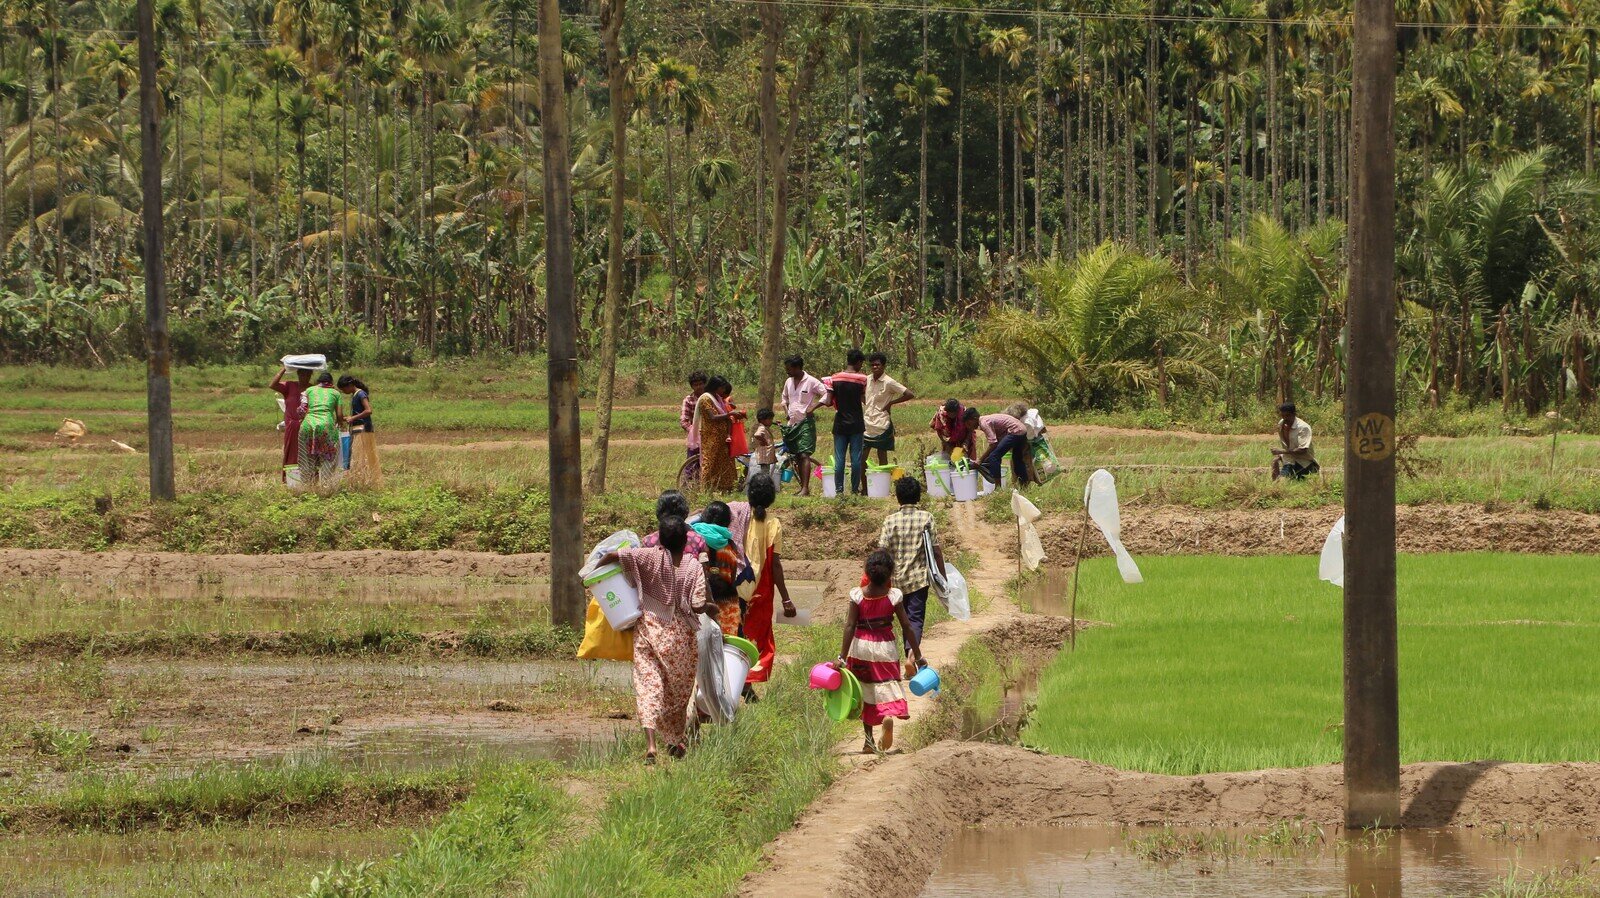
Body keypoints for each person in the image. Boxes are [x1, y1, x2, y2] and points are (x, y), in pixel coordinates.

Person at [595, 516, 716, 764]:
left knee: (648, 687)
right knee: (677, 694)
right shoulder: (693, 568)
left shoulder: (647, 556)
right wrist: (711, 607)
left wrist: (593, 577)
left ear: (660, 540)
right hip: (680, 639)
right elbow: (697, 604)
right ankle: (674, 739)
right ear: (685, 542)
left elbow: (613, 557)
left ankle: (652, 744)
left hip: (649, 631)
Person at [834, 549, 925, 754]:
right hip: (886, 647)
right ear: (890, 574)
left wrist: (842, 656)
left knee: (865, 689)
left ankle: (868, 741)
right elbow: (907, 626)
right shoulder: (894, 596)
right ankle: (887, 715)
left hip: (861, 648)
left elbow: (849, 626)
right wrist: (918, 655)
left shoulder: (857, 595)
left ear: (867, 572)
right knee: (888, 684)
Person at [876, 477, 945, 646]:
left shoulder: (890, 520)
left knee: (904, 621)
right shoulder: (926, 518)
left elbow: (882, 551)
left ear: (898, 498)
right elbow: (935, 550)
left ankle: (910, 655)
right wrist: (943, 577)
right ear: (918, 497)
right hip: (919, 579)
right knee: (915, 619)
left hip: (896, 579)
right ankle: (912, 656)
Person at [742, 474, 796, 684]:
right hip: (761, 587)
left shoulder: (740, 517)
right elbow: (775, 565)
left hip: (738, 582)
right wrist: (786, 598)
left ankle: (737, 676)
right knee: (759, 633)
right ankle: (748, 679)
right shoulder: (774, 524)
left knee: (738, 628)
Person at [780, 356, 828, 496]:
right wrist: (786, 412)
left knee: (804, 454)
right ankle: (803, 488)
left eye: (789, 369)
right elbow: (784, 399)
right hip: (792, 423)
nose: (787, 371)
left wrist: (813, 407)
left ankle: (805, 488)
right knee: (797, 455)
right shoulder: (788, 381)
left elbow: (826, 394)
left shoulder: (811, 381)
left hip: (805, 423)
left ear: (797, 368)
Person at [694, 501, 744, 636]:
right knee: (726, 646)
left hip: (701, 603)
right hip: (727, 603)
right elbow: (732, 576)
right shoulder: (730, 545)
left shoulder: (695, 540)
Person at [829, 350, 869, 495]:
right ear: (858, 362)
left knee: (839, 459)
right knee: (856, 459)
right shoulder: (863, 379)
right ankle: (854, 490)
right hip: (856, 423)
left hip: (840, 423)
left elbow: (828, 401)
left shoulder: (834, 378)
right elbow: (864, 399)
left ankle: (839, 490)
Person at [864, 352, 915, 466]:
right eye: (872, 365)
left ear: (883, 366)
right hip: (867, 422)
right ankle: (864, 483)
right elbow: (861, 393)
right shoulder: (867, 379)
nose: (875, 367)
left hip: (881, 422)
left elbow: (909, 394)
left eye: (877, 365)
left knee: (882, 456)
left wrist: (891, 403)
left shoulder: (889, 382)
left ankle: (883, 482)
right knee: (861, 458)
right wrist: (866, 403)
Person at [297, 372, 345, 493]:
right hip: (326, 426)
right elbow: (339, 415)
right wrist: (341, 423)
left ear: (318, 381)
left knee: (306, 457)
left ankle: (307, 489)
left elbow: (302, 410)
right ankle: (326, 488)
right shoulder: (336, 393)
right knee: (329, 456)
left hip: (307, 425)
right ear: (331, 383)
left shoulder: (308, 390)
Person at [694, 376, 743, 493]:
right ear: (716, 387)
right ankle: (705, 489)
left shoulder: (717, 398)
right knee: (710, 461)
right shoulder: (706, 399)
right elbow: (713, 417)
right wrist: (730, 414)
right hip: (711, 436)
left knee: (725, 462)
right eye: (722, 388)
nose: (723, 391)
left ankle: (726, 487)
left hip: (722, 436)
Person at [968, 407, 1037, 487]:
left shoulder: (983, 423)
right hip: (1022, 430)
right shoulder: (986, 419)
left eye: (969, 424)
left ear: (975, 418)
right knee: (1017, 460)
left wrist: (980, 460)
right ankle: (1024, 486)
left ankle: (998, 487)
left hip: (1015, 431)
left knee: (993, 457)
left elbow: (993, 444)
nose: (970, 427)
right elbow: (997, 441)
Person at [337, 375, 382, 489]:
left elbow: (368, 410)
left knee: (362, 456)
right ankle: (363, 481)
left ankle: (365, 481)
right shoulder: (355, 395)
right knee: (359, 456)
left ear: (350, 385)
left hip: (363, 429)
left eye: (344, 389)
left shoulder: (361, 394)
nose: (344, 392)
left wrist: (353, 418)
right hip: (358, 428)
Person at [270, 366, 313, 483]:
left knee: (308, 451)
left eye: (308, 375)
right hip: (292, 425)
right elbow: (272, 385)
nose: (305, 377)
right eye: (303, 374)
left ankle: (308, 479)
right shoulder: (290, 385)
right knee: (291, 451)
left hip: (307, 425)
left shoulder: (312, 389)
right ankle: (291, 479)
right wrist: (284, 368)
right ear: (298, 374)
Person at [644, 490, 709, 562]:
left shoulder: (648, 541)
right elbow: (704, 568)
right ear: (684, 512)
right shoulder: (698, 540)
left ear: (660, 513)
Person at [1272, 402, 1320, 480]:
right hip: (1289, 460)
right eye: (1283, 416)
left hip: (1304, 462)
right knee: (1275, 463)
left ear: (1294, 414)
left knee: (1289, 481)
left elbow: (1303, 450)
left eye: (1287, 415)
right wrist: (1280, 455)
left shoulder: (1303, 427)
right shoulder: (1281, 424)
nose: (1285, 418)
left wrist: (1282, 451)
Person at [680, 372, 708, 484]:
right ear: (692, 386)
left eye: (701, 384)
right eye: (696, 384)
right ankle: (687, 487)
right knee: (691, 466)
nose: (699, 387)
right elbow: (684, 421)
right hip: (696, 437)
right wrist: (694, 431)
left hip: (710, 435)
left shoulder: (710, 397)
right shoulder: (688, 400)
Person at [749, 408, 779, 488]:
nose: (771, 421)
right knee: (765, 472)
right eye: (770, 419)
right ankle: (764, 486)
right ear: (762, 420)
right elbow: (757, 435)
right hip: (764, 455)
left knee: (766, 470)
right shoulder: (762, 428)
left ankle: (765, 485)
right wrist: (764, 441)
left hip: (765, 456)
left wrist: (775, 423)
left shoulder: (764, 426)